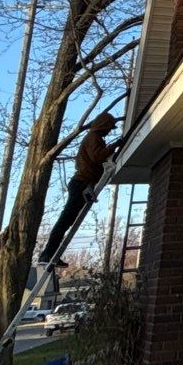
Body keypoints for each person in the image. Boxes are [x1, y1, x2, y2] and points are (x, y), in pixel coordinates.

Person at [40, 112, 118, 265]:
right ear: (103, 126)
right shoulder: (93, 138)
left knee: (67, 221)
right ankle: (47, 255)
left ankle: (52, 255)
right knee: (65, 220)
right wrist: (113, 147)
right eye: (109, 128)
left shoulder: (95, 139)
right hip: (81, 183)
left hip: (84, 183)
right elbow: (97, 157)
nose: (110, 131)